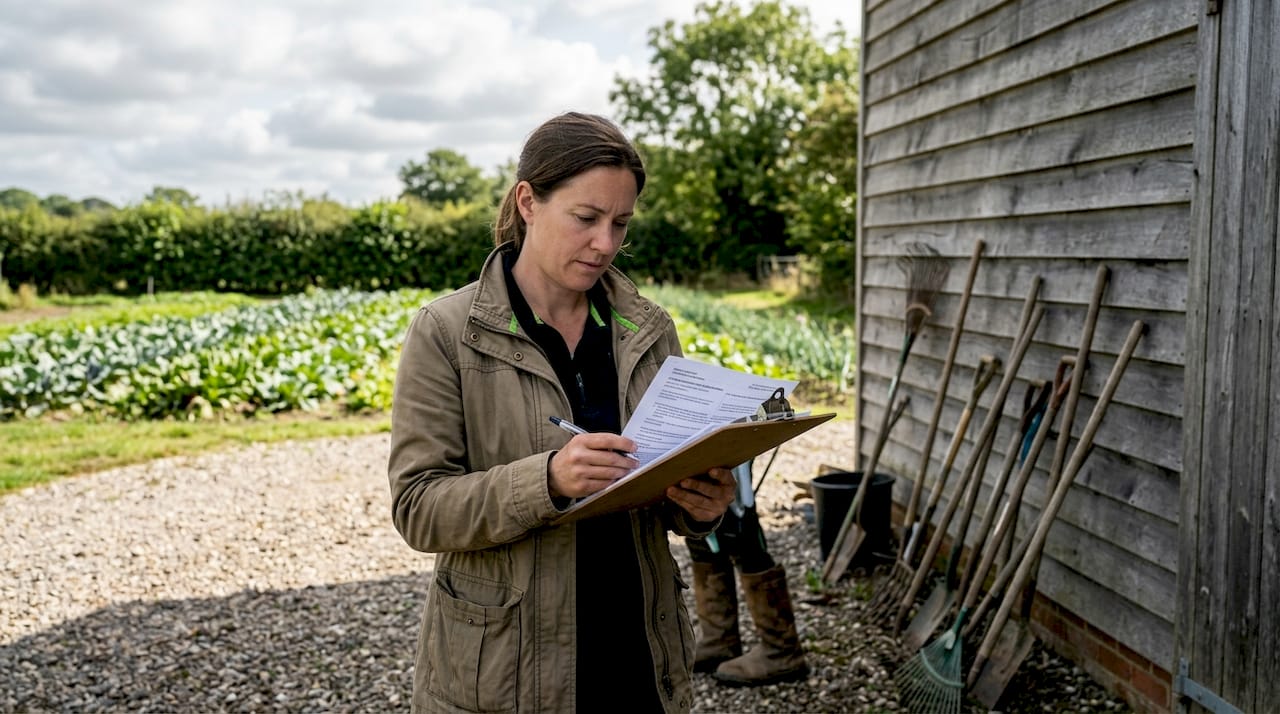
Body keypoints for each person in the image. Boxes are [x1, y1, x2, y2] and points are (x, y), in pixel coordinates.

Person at [388, 111, 737, 714]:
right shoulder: (446, 333)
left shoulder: (649, 330)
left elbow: (668, 487)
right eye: (586, 218)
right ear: (528, 201)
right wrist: (547, 480)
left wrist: (700, 506)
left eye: (621, 223)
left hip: (640, 660)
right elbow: (419, 509)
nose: (606, 243)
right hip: (505, 673)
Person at [687, 458, 810, 688]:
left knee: (738, 526)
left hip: (723, 436)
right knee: (698, 528)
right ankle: (719, 640)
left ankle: (782, 650)